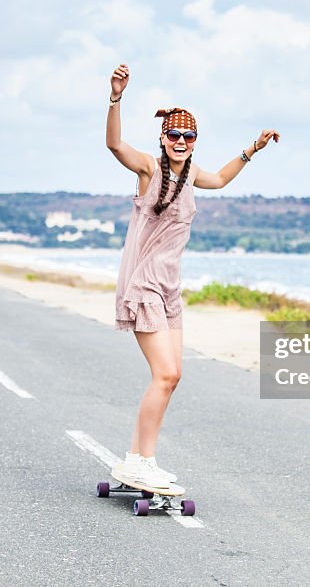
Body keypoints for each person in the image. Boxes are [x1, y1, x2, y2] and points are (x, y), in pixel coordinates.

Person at [104, 63, 280, 487]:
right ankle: (139, 459)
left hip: (170, 291)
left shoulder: (194, 175)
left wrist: (251, 150)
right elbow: (113, 145)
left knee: (172, 377)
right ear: (163, 139)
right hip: (143, 286)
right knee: (165, 374)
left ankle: (141, 458)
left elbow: (219, 178)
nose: (181, 142)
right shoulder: (149, 168)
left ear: (195, 141)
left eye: (188, 137)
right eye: (174, 136)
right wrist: (115, 97)